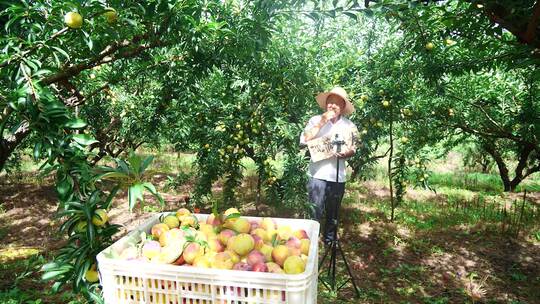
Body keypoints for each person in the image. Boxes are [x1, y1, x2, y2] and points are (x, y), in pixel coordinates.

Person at [299, 86, 358, 245]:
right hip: (317, 174)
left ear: (343, 107)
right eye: (330, 102)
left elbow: (354, 148)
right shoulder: (315, 120)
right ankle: (309, 242)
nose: (333, 106)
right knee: (314, 210)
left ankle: (330, 239)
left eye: (337, 103)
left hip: (337, 176)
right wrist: (322, 121)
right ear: (326, 104)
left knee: (333, 211)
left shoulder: (349, 126)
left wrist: (347, 153)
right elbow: (303, 141)